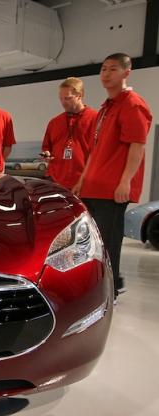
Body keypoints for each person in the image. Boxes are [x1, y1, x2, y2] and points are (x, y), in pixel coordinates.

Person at [73, 53, 153, 300]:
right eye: (104, 69)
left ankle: (111, 289)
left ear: (126, 73)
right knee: (91, 242)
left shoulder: (133, 105)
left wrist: (125, 181)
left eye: (113, 69)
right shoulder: (107, 107)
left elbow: (137, 147)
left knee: (108, 241)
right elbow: (96, 150)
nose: (106, 74)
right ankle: (101, 283)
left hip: (111, 189)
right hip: (93, 186)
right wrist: (83, 179)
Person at [41, 77, 98, 190]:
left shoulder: (96, 119)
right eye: (61, 98)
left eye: (67, 98)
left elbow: (98, 152)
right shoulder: (54, 122)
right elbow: (46, 147)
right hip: (56, 181)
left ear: (79, 96)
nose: (63, 102)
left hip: (84, 183)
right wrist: (46, 154)